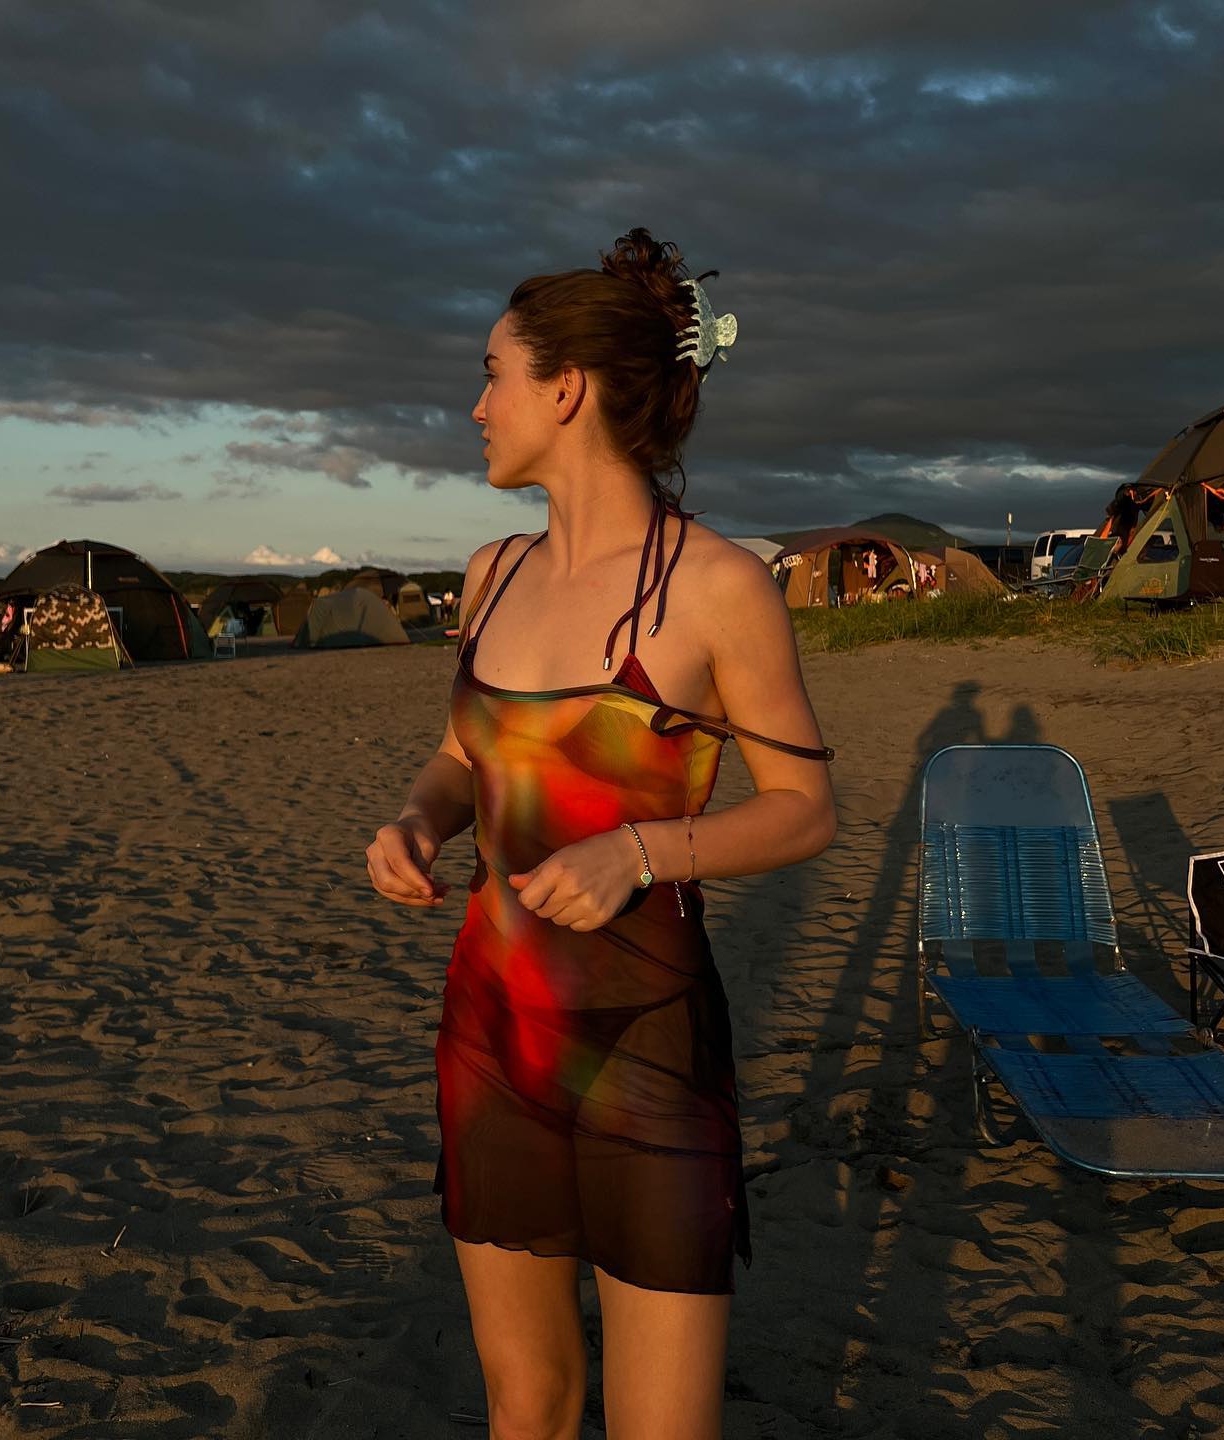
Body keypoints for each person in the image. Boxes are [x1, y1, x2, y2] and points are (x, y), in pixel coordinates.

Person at [365, 228, 836, 1439]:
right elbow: (467, 755)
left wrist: (640, 850)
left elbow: (803, 808)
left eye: (493, 375)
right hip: (491, 1032)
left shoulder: (716, 586)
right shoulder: (492, 572)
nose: (476, 407)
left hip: (649, 1047)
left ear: (565, 388)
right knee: (526, 1404)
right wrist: (416, 818)